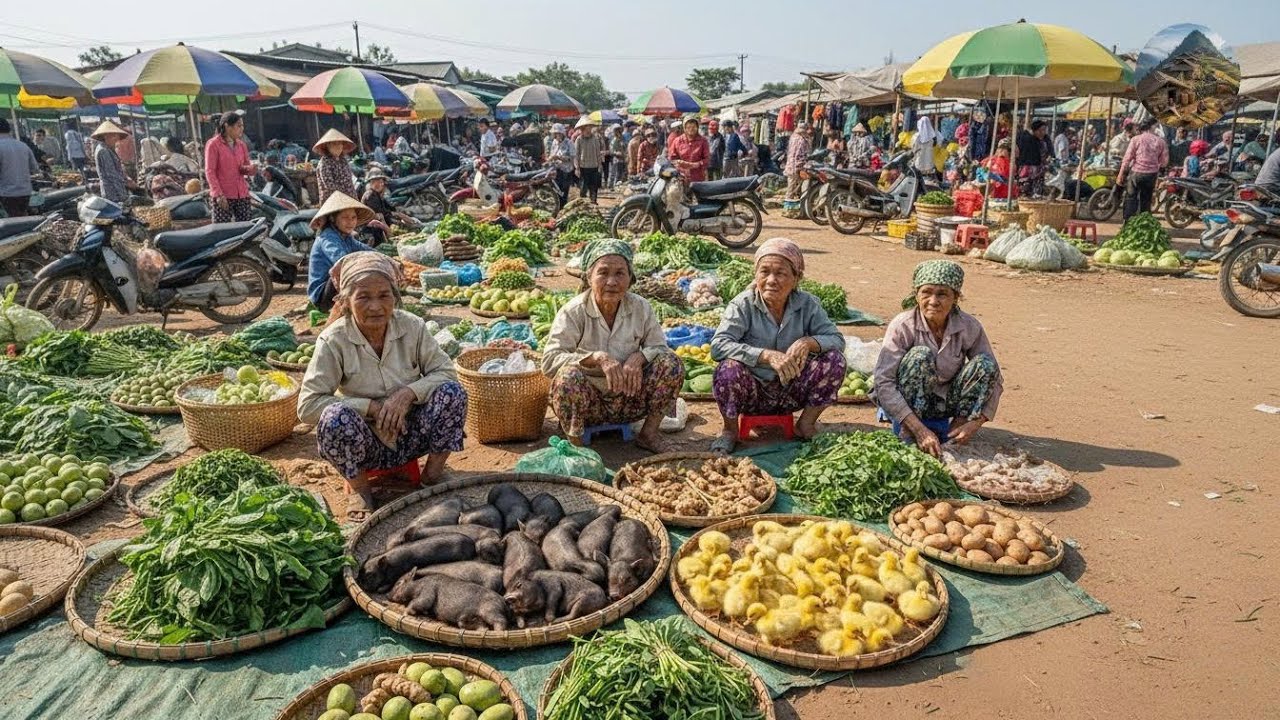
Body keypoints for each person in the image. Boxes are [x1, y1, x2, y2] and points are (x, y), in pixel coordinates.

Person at [299, 250, 467, 520]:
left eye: (384, 295)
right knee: (333, 418)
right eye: (363, 297)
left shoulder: (413, 327)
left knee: (452, 393)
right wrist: (371, 408)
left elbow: (446, 372)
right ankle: (361, 492)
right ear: (346, 302)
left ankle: (433, 477)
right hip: (365, 443)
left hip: (412, 431)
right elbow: (308, 405)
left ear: (395, 297)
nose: (376, 306)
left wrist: (408, 394)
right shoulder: (334, 340)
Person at [541, 239, 684, 452]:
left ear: (630, 278)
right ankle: (576, 448)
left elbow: (659, 346)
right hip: (589, 404)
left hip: (630, 399)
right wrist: (595, 357)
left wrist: (640, 357)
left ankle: (648, 434)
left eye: (620, 273)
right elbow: (550, 361)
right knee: (566, 379)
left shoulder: (640, 307)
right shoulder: (574, 311)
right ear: (589, 277)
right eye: (603, 273)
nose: (611, 281)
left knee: (671, 364)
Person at [709, 238, 846, 454]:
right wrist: (765, 355)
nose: (771, 280)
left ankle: (805, 424)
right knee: (727, 370)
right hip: (753, 392)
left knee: (834, 361)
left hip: (792, 390)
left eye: (780, 273)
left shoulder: (808, 304)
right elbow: (718, 346)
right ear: (756, 275)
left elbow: (837, 339)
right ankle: (730, 431)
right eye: (764, 272)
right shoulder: (743, 304)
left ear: (796, 278)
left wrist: (808, 342)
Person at [872, 260, 1003, 458]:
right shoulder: (903, 325)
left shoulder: (969, 326)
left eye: (942, 294)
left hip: (945, 401)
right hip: (908, 401)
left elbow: (995, 379)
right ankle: (910, 429)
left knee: (985, 365)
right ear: (916, 295)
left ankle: (954, 434)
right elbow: (883, 382)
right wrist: (920, 430)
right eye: (927, 292)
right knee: (920, 356)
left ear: (955, 298)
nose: (933, 301)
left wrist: (974, 423)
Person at [307, 192, 373, 311]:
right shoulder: (327, 237)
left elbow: (366, 250)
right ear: (333, 218)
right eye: (345, 217)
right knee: (353, 269)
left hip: (335, 288)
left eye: (353, 218)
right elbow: (342, 259)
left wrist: (387, 258)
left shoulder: (346, 237)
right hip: (323, 296)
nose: (350, 222)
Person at [204, 112, 256, 223]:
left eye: (242, 125)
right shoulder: (213, 144)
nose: (242, 128)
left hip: (241, 193)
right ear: (227, 126)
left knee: (245, 228)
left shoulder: (241, 145)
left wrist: (252, 169)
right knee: (222, 231)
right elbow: (210, 171)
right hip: (223, 195)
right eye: (239, 125)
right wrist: (218, 194)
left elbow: (244, 168)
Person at [1117, 117, 1168, 220]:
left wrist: (1121, 174)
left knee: (1131, 199)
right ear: (1153, 127)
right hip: (1151, 175)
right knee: (1146, 201)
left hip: (1136, 173)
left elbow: (1127, 159)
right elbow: (1164, 163)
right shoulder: (1161, 142)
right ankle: (1143, 225)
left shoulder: (1136, 139)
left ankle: (1127, 225)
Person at [0, 119, 40, 217]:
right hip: (25, 192)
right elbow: (35, 168)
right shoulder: (23, 146)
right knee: (21, 217)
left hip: (7, 193)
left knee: (14, 222)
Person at [91, 121, 135, 206]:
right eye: (113, 136)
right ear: (106, 136)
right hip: (112, 192)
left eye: (116, 136)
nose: (116, 139)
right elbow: (111, 175)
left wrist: (126, 178)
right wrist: (123, 195)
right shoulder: (103, 150)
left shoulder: (108, 148)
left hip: (116, 189)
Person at [314, 128, 357, 204]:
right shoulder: (325, 162)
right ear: (328, 146)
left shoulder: (343, 160)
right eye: (334, 144)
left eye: (340, 143)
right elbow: (330, 185)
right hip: (333, 202)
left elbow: (349, 180)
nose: (338, 146)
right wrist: (346, 196)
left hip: (349, 199)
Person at [669, 117, 711, 183]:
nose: (691, 129)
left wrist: (695, 164)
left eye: (694, 127)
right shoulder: (677, 141)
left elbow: (707, 159)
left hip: (698, 177)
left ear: (697, 127)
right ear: (684, 128)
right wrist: (679, 163)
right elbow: (672, 158)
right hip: (681, 178)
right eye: (688, 127)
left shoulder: (703, 141)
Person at [574, 119, 605, 204]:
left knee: (594, 187)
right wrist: (577, 168)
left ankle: (593, 203)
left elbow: (598, 153)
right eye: (587, 128)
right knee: (583, 187)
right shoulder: (579, 139)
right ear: (583, 129)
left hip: (594, 167)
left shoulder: (595, 139)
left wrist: (600, 165)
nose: (589, 129)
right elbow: (576, 154)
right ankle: (582, 205)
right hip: (583, 167)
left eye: (590, 127)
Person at [783, 122, 813, 210]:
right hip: (796, 166)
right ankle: (788, 208)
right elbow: (799, 155)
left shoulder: (793, 137)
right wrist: (803, 164)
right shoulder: (801, 140)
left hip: (790, 165)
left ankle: (791, 206)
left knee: (791, 187)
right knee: (792, 188)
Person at [1015, 120, 1048, 195]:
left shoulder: (1025, 136)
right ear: (1035, 130)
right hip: (1028, 170)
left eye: (1044, 130)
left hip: (1027, 169)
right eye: (1041, 130)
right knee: (1027, 193)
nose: (1043, 133)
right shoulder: (1028, 138)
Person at [546, 124, 575, 204]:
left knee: (564, 191)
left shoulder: (569, 143)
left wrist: (559, 158)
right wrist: (549, 159)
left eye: (556, 134)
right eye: (554, 134)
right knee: (556, 191)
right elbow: (552, 154)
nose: (555, 136)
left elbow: (571, 158)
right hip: (556, 170)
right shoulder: (554, 142)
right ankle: (558, 207)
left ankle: (562, 207)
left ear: (561, 134)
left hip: (566, 171)